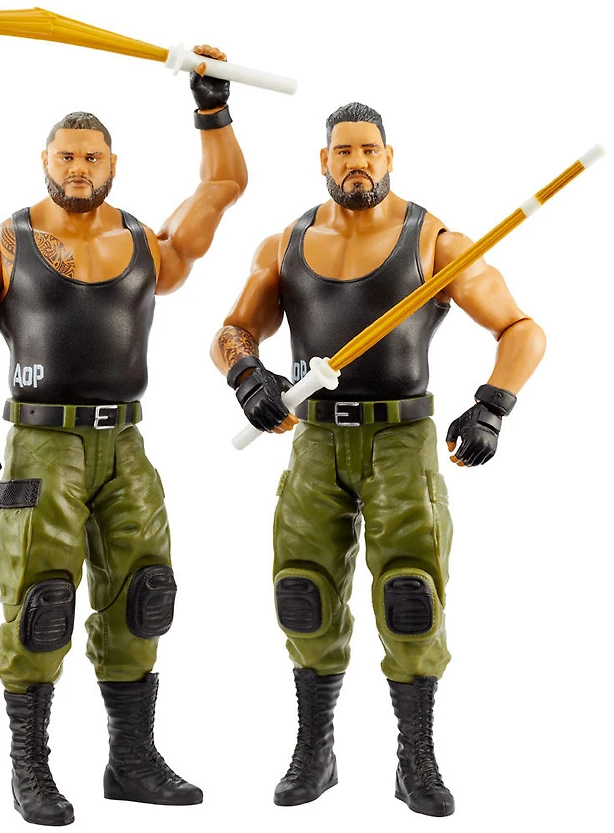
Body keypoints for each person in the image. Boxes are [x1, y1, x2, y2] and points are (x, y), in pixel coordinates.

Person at [0, 48, 247, 826]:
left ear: (112, 164)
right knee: (41, 603)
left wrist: (212, 109)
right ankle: (30, 770)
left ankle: (131, 761)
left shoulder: (147, 245)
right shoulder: (1, 244)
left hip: (126, 445)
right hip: (42, 446)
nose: (78, 168)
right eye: (66, 157)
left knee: (144, 595)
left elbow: (222, 187)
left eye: (91, 157)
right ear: (45, 161)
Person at [211, 102, 545, 816]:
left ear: (389, 157)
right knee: (302, 593)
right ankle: (316, 750)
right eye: (344, 151)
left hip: (402, 440)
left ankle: (414, 758)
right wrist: (247, 376)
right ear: (324, 160)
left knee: (411, 597)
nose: (357, 162)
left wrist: (493, 404)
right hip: (316, 441)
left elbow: (521, 328)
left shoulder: (436, 243)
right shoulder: (285, 245)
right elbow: (234, 330)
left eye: (369, 150)